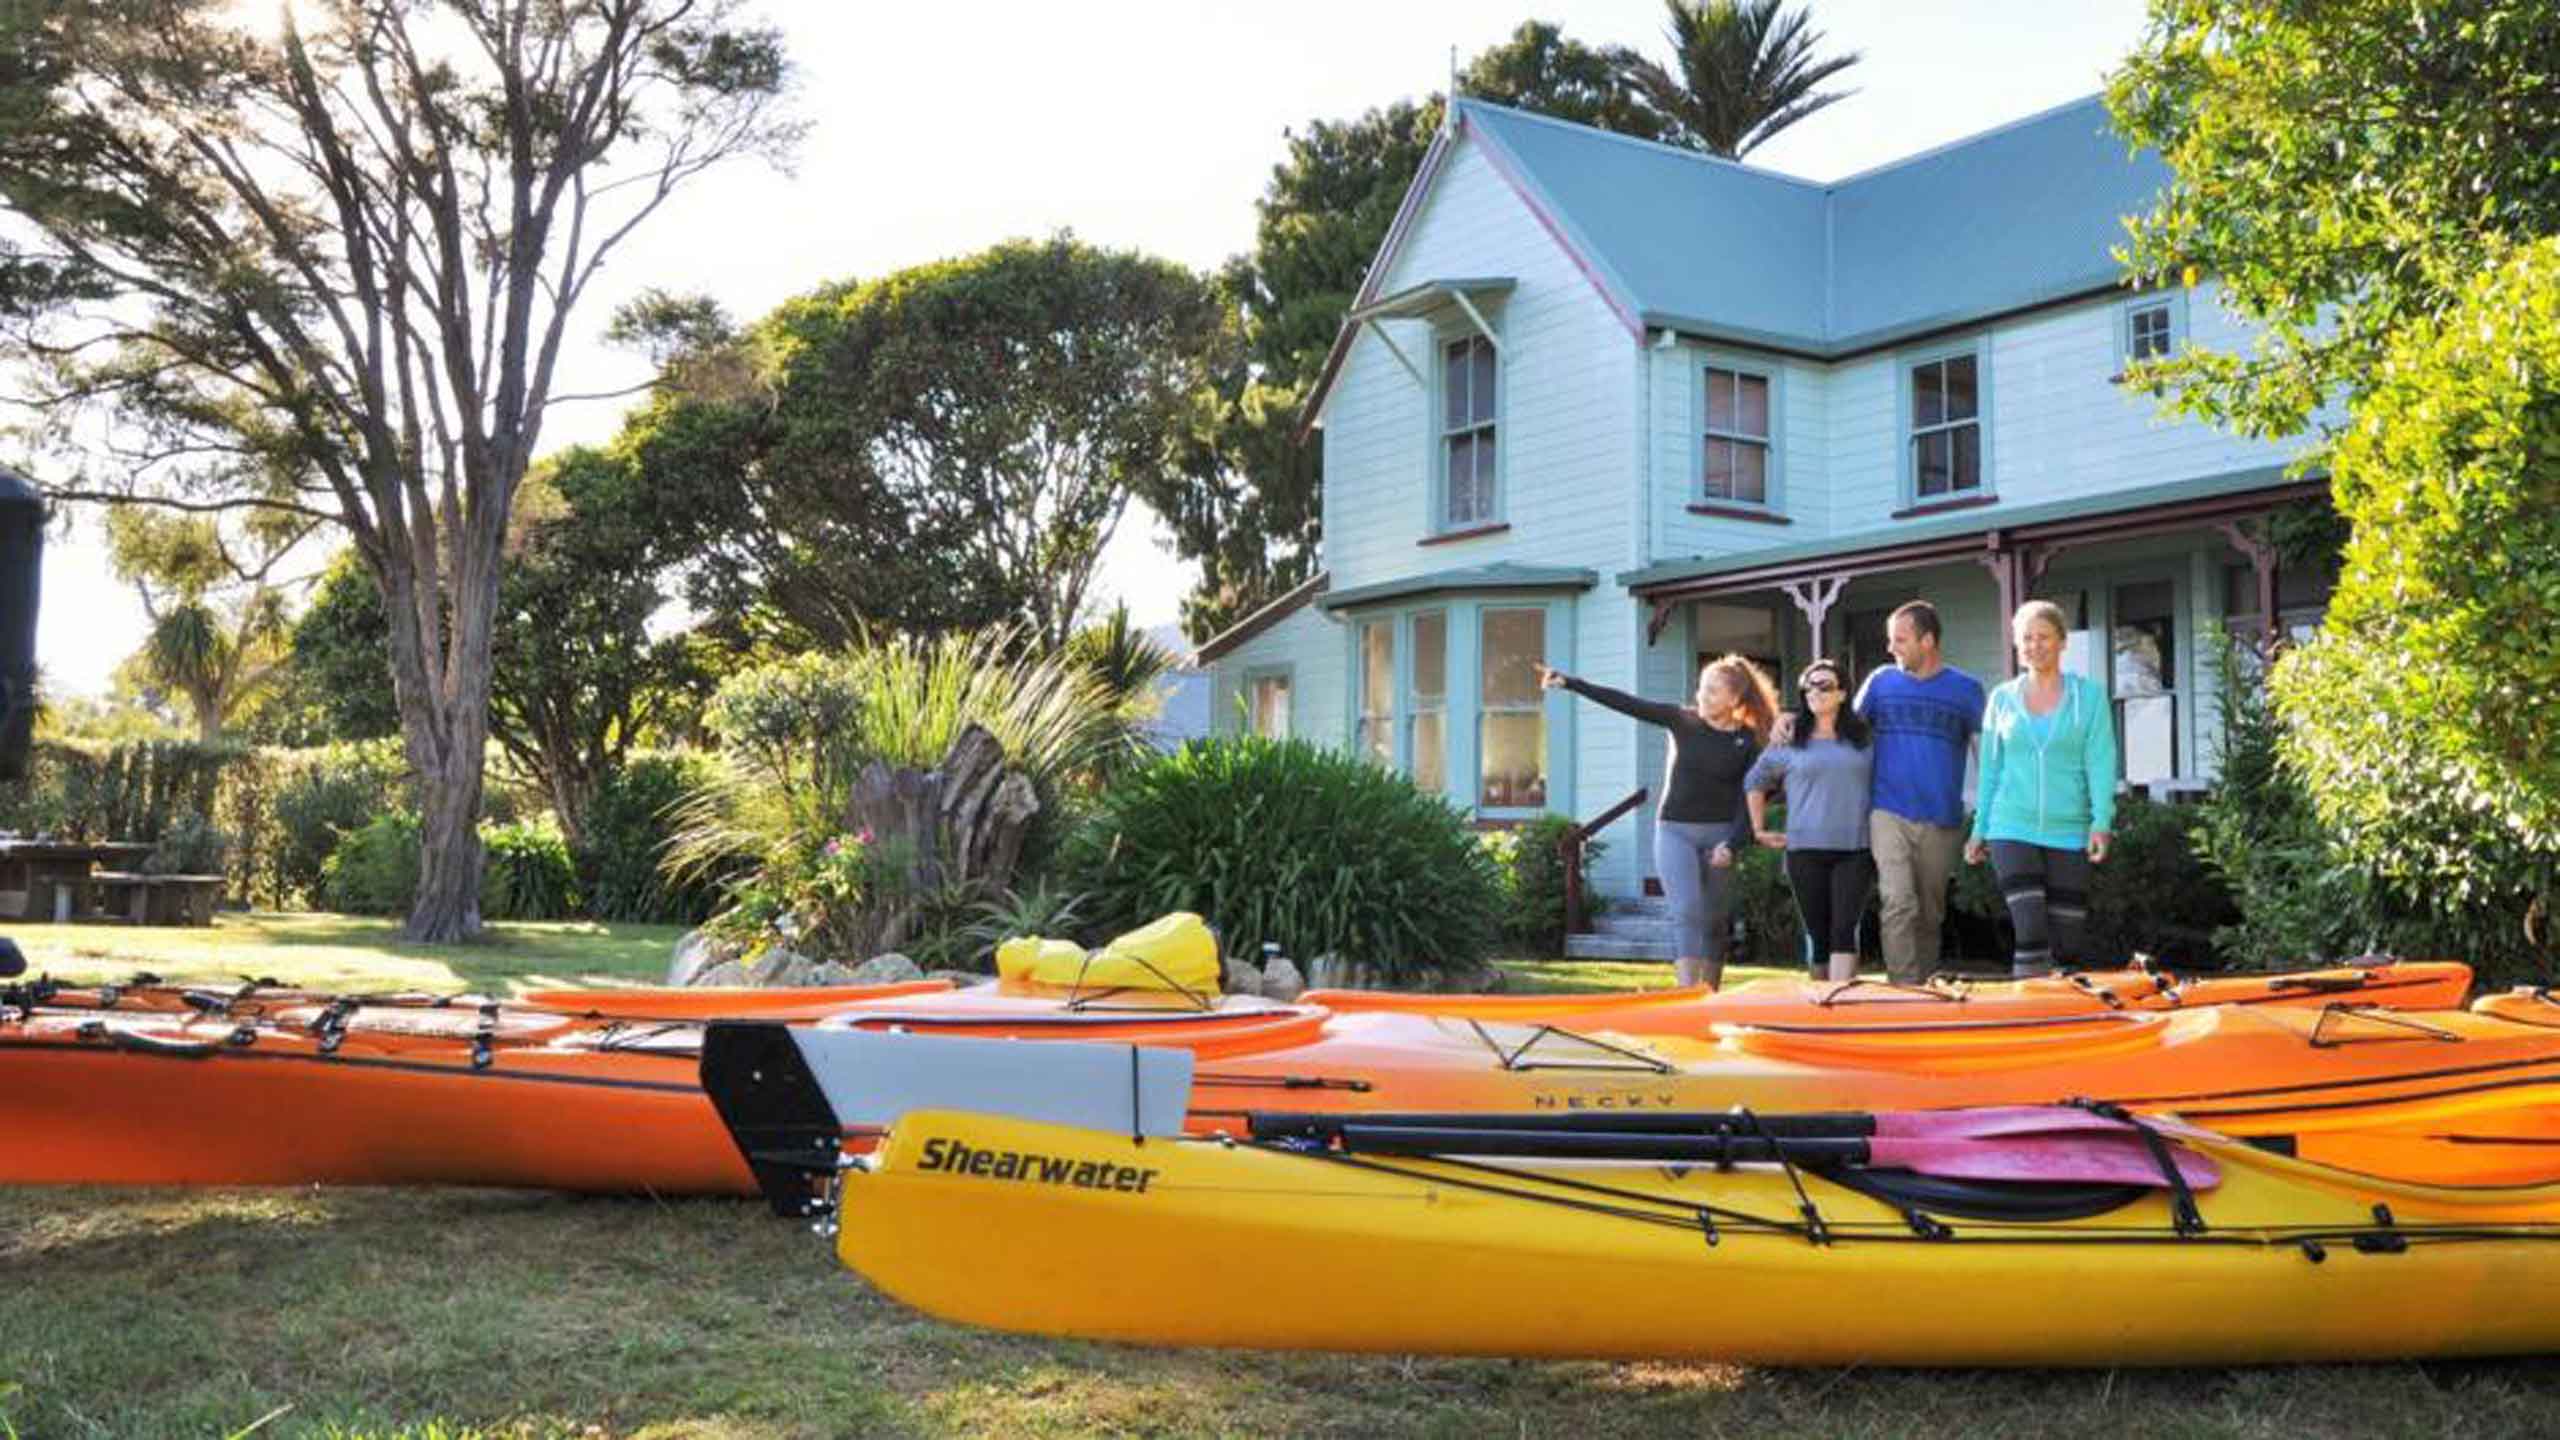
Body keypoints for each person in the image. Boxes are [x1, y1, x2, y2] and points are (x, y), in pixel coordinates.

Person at [1538, 654, 1779, 989]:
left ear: (1734, 699)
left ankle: (1710, 993)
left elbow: (1749, 800)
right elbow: (1626, 703)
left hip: (1721, 836)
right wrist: (1570, 683)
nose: (1702, 696)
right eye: (1701, 688)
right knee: (1686, 910)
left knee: (1715, 920)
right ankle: (1687, 993)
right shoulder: (1682, 720)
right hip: (1675, 832)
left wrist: (1732, 844)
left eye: (1712, 691)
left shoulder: (1747, 741)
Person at [1966, 599, 2118, 978]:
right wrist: (1980, 828)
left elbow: (2101, 763)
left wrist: (2101, 822)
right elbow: (1990, 770)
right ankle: (2026, 1007)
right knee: (2030, 933)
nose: (2035, 645)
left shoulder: (2089, 698)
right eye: (2027, 638)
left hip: (2069, 828)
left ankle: (2064, 1009)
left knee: (2067, 942)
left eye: (2044, 637)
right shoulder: (2002, 699)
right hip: (2011, 826)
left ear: (2062, 641)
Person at [1853, 600, 1985, 985]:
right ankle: (1902, 990)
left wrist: (1988, 817)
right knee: (1897, 901)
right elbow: (1842, 730)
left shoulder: (1966, 690)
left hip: (1941, 818)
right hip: (1887, 811)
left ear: (1927, 641)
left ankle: (1925, 990)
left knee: (1930, 913)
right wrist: (1794, 723)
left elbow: (1985, 755)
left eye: (1900, 640)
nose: (1891, 648)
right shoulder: (1880, 682)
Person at [1742, 659, 1875, 984]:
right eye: (1809, 686)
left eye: (1825, 686)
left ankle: (1840, 1000)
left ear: (1842, 694)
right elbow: (1755, 781)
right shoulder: (1789, 740)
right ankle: (1820, 1000)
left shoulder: (1864, 738)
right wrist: (1759, 829)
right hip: (1804, 851)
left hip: (1855, 849)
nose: (1815, 691)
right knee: (1818, 936)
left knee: (1844, 930)